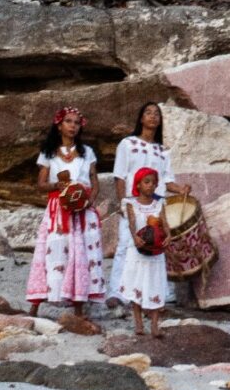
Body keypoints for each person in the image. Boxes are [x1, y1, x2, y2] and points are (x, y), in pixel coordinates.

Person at [107, 102, 190, 308]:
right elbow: (120, 176)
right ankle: (118, 292)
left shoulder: (162, 151)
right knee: (127, 245)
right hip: (132, 203)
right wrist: (123, 202)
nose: (153, 116)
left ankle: (154, 293)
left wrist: (180, 189)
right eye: (148, 113)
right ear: (141, 119)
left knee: (157, 246)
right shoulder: (128, 144)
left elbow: (166, 180)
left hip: (156, 205)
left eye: (157, 114)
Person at [25, 107, 106, 319]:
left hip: (82, 209)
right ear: (59, 125)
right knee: (52, 253)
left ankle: (78, 308)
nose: (73, 126)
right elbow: (40, 184)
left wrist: (89, 200)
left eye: (77, 122)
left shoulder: (87, 152)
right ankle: (36, 304)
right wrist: (58, 185)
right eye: (69, 121)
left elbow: (95, 182)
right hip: (58, 209)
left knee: (80, 255)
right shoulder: (49, 153)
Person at [118, 167, 170, 337]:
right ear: (138, 185)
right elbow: (132, 222)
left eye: (153, 182)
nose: (150, 186)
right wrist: (135, 237)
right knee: (136, 284)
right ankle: (139, 323)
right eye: (146, 182)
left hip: (155, 251)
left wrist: (169, 235)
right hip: (137, 250)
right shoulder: (131, 203)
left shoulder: (159, 203)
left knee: (155, 283)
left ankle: (155, 325)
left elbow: (164, 222)